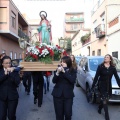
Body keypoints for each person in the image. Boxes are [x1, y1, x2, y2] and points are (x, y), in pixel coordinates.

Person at [92, 54, 120, 120]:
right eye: (105, 57)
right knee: (104, 98)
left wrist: (119, 84)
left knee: (106, 99)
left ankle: (99, 107)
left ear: (110, 59)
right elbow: (96, 76)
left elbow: (116, 77)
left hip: (108, 85)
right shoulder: (100, 66)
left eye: (107, 57)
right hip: (101, 85)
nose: (105, 58)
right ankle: (107, 116)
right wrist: (93, 85)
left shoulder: (113, 68)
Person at [52, 56, 77, 120]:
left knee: (68, 114)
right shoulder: (58, 69)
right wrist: (57, 73)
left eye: (64, 62)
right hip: (57, 95)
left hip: (68, 96)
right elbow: (53, 81)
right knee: (59, 115)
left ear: (68, 62)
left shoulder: (73, 70)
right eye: (61, 62)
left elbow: (72, 80)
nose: (62, 63)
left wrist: (64, 72)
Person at [0, 56, 20, 120]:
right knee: (2, 116)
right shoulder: (0, 72)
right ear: (2, 64)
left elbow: (17, 82)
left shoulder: (14, 71)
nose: (8, 64)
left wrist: (11, 73)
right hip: (2, 98)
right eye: (6, 63)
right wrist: (4, 74)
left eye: (9, 63)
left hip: (13, 98)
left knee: (11, 116)